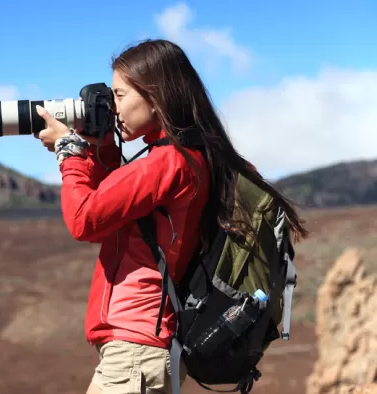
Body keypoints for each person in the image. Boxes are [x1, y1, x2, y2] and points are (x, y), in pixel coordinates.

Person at [35, 39, 308, 394]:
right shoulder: (188, 157)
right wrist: (99, 147)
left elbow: (84, 219)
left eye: (119, 95)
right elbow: (110, 213)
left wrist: (69, 152)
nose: (112, 107)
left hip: (135, 355)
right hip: (142, 353)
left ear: (155, 94)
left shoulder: (168, 162)